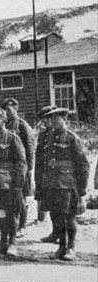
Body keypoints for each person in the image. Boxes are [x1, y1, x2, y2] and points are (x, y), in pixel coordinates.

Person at [41, 108, 89, 261]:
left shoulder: (71, 138)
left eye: (57, 119)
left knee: (69, 217)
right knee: (56, 217)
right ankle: (61, 247)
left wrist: (82, 192)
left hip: (67, 185)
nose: (54, 122)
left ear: (65, 120)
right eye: (52, 119)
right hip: (52, 183)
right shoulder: (49, 137)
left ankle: (71, 248)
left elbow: (83, 165)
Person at [0, 107, 27, 256]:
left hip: (10, 184)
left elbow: (21, 163)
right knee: (0, 213)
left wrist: (18, 185)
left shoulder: (13, 138)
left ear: (4, 121)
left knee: (11, 214)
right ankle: (2, 242)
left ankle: (12, 243)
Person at [1, 98, 36, 236]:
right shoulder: (5, 125)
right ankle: (10, 222)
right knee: (9, 196)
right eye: (5, 111)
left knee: (20, 196)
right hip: (7, 168)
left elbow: (30, 148)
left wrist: (29, 169)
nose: (7, 113)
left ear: (16, 110)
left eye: (9, 110)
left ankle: (23, 225)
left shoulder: (22, 126)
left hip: (21, 167)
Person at [34, 106, 57, 241]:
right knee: (46, 200)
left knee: (57, 205)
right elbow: (39, 155)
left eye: (47, 119)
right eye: (43, 120)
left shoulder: (58, 134)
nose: (44, 122)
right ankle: (54, 233)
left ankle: (60, 233)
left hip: (55, 175)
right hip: (43, 173)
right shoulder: (43, 134)